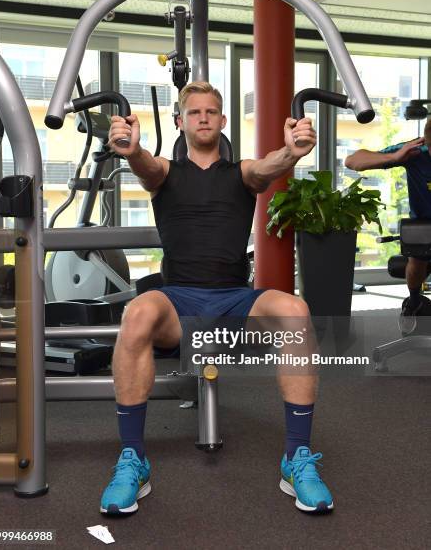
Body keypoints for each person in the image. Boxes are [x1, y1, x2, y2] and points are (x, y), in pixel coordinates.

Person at [100, 81, 333, 516]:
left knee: (295, 310)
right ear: (180, 122)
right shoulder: (166, 172)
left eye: (211, 112)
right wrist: (131, 150)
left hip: (234, 303)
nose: (203, 117)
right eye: (194, 112)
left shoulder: (241, 172)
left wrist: (292, 154)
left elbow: (267, 168)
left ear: (223, 121)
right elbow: (147, 168)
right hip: (178, 302)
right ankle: (133, 460)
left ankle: (296, 458)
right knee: (136, 312)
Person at [345, 119, 431, 321]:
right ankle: (414, 299)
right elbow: (353, 161)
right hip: (423, 228)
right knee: (417, 260)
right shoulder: (415, 151)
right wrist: (395, 157)